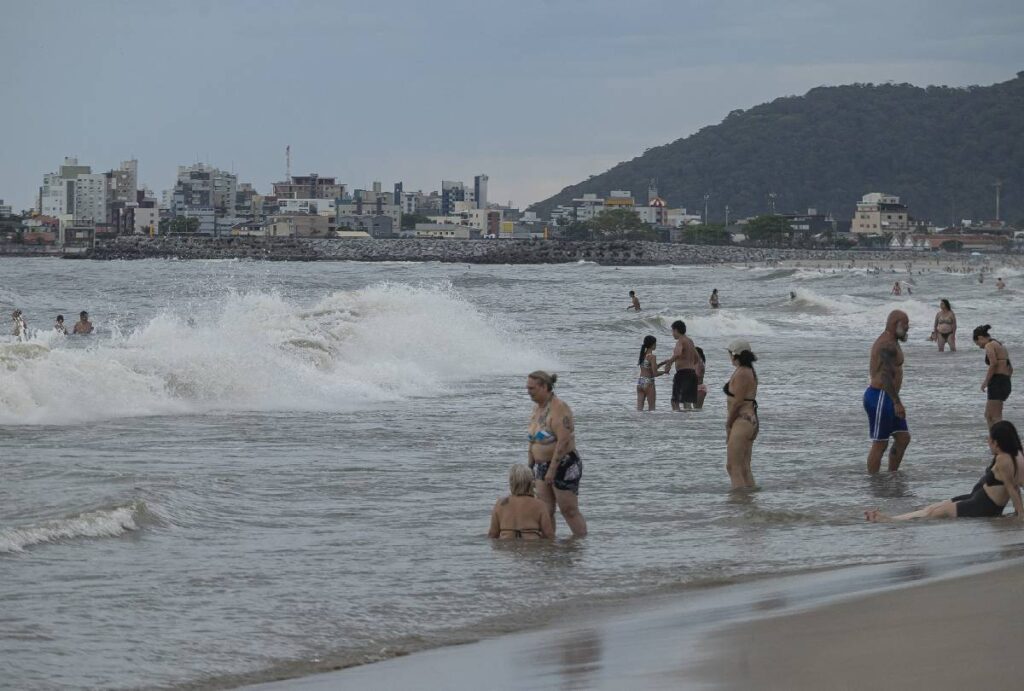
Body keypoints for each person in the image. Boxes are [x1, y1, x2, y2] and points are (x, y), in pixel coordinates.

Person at [866, 421, 1023, 521]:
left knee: (933, 513)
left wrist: (1020, 516)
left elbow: (1012, 488)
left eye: (990, 439)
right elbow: (1017, 485)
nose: (988, 442)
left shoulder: (1004, 459)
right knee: (931, 509)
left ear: (998, 442)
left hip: (981, 506)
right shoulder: (1016, 455)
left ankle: (887, 520)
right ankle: (890, 518)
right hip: (976, 498)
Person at [527, 371, 587, 537]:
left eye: (532, 388)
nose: (528, 392)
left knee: (568, 510)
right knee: (545, 510)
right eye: (527, 388)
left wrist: (552, 469)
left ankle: (579, 544)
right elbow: (532, 440)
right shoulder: (537, 409)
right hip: (541, 466)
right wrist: (530, 466)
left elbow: (563, 441)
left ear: (544, 387)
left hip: (563, 464)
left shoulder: (559, 408)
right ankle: (550, 549)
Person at [863, 310, 911, 473]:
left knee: (903, 438)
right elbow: (885, 376)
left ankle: (892, 474)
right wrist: (897, 402)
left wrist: (896, 400)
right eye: (905, 324)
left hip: (888, 397)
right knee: (880, 443)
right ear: (895, 323)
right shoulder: (887, 345)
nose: (907, 328)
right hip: (880, 396)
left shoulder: (893, 341)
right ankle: (874, 481)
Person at [724, 339, 759, 490]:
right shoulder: (747, 370)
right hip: (748, 420)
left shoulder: (743, 373)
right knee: (744, 467)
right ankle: (748, 503)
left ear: (734, 355)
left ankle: (739, 502)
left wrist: (728, 422)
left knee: (733, 467)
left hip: (742, 421)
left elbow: (738, 402)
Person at [488, 464, 554, 540]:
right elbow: (549, 534)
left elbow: (493, 534)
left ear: (511, 482)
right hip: (531, 545)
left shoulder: (500, 503)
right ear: (531, 482)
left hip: (506, 546)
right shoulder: (539, 504)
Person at [974, 325, 1013, 429]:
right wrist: (1006, 381)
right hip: (1004, 382)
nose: (979, 346)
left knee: (994, 416)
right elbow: (1010, 368)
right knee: (990, 415)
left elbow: (993, 363)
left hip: (997, 382)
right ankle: (995, 438)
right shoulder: (999, 345)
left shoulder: (989, 345)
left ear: (980, 337)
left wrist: (986, 381)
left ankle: (999, 440)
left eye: (977, 343)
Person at [659, 320, 701, 411]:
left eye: (672, 331)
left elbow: (677, 353)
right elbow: (697, 357)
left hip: (683, 374)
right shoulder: (690, 341)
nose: (672, 334)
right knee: (687, 402)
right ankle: (688, 423)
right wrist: (688, 365)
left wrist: (669, 363)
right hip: (691, 374)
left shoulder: (681, 341)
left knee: (675, 401)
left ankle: (678, 424)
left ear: (676, 330)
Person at [635, 335, 661, 411]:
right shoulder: (652, 357)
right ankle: (650, 423)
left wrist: (662, 363)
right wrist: (664, 372)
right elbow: (655, 373)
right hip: (649, 382)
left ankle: (639, 422)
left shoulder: (642, 355)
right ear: (652, 345)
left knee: (639, 410)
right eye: (655, 343)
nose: (656, 345)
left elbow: (648, 368)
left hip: (640, 382)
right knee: (652, 409)